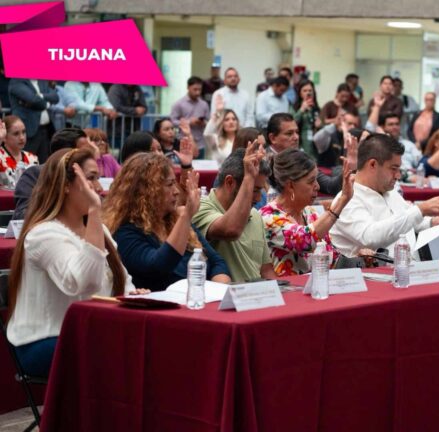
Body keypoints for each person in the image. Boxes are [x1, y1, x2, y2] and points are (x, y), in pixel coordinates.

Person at [6, 148, 144, 377]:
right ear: (66, 185)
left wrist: (134, 296)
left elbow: (122, 280)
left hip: (90, 332)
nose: (98, 187)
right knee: (121, 352)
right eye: (91, 178)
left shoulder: (98, 230)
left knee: (147, 340)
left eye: (98, 178)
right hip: (45, 339)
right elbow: (82, 282)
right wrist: (95, 210)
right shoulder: (42, 234)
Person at [104, 153, 231, 291]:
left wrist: (218, 292)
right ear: (146, 191)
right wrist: (187, 215)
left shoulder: (175, 220)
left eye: (174, 183)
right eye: (169, 185)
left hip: (199, 298)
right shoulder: (125, 231)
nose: (176, 191)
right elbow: (159, 266)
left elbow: (217, 262)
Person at [330, 133, 439, 257]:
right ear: (373, 164)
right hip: (375, 269)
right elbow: (370, 237)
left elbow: (410, 221)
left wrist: (433, 222)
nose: (398, 176)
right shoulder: (347, 199)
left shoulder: (389, 191)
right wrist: (420, 210)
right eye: (393, 168)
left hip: (409, 265)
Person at [260, 149, 354, 275]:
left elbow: (332, 257)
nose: (317, 187)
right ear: (290, 185)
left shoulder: (310, 212)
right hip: (288, 287)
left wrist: (357, 258)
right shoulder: (269, 216)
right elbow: (306, 241)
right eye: (311, 182)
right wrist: (343, 200)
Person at [192, 144, 278, 282]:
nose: (258, 198)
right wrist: (249, 177)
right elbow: (231, 230)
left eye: (260, 191)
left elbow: (266, 270)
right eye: (254, 190)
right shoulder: (200, 208)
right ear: (230, 182)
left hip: (259, 293)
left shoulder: (255, 215)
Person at [12, 128, 91, 221]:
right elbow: (22, 215)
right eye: (83, 152)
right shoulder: (35, 175)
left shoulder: (87, 175)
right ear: (64, 153)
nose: (88, 156)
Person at [267, 113, 347, 195]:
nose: (296, 137)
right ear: (273, 138)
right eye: (289, 133)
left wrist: (349, 167)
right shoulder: (262, 162)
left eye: (297, 132)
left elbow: (330, 186)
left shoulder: (301, 159)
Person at [8, 79, 58, 163]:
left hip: (45, 130)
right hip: (27, 130)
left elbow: (55, 97)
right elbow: (32, 99)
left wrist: (41, 95)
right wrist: (47, 104)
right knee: (26, 162)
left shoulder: (42, 81)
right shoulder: (17, 81)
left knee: (43, 163)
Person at [170, 76, 209, 158]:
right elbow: (172, 121)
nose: (197, 92)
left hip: (200, 143)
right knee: (185, 164)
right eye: (195, 89)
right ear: (188, 87)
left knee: (201, 165)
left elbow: (208, 122)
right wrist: (189, 122)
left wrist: (203, 123)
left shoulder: (204, 104)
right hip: (184, 143)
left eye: (199, 90)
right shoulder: (179, 104)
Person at [0, 115, 39, 188]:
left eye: (24, 132)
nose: (22, 137)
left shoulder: (33, 158)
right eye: (16, 134)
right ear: (4, 137)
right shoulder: (0, 157)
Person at [291, 79, 322, 160]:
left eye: (310, 90)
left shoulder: (316, 108)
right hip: (299, 143)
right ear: (300, 93)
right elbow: (291, 124)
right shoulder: (294, 107)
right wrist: (301, 110)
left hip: (314, 146)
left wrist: (319, 125)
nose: (308, 93)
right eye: (305, 91)